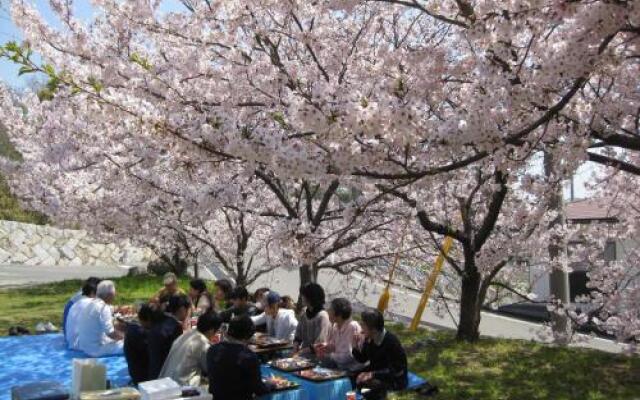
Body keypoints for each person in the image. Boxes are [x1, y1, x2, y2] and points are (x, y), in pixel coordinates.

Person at [207, 316, 273, 400]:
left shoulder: (212, 350)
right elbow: (259, 390)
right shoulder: (249, 357)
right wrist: (270, 384)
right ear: (248, 335)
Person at [352, 310, 408, 400]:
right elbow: (363, 359)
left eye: (363, 326)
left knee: (371, 387)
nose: (361, 329)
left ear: (373, 330)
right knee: (353, 376)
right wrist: (354, 346)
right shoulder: (369, 338)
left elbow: (396, 370)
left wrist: (372, 374)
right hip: (376, 371)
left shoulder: (391, 342)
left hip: (394, 379)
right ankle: (360, 393)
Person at [160, 312, 222, 386]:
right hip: (181, 387)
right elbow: (209, 368)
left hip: (165, 380)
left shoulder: (186, 335)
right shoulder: (202, 343)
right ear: (211, 330)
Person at [77, 280, 125, 357]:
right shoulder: (103, 307)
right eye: (114, 294)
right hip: (95, 350)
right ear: (110, 295)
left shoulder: (92, 303)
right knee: (129, 345)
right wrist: (125, 337)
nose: (115, 297)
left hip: (85, 346)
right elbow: (111, 333)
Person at [147, 294, 190, 379]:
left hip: (152, 369)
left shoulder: (160, 318)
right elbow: (177, 353)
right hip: (164, 373)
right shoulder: (175, 327)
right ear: (182, 309)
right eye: (187, 310)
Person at [315, 298, 362, 371]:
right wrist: (325, 347)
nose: (328, 312)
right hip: (338, 365)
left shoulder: (352, 326)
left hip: (351, 369)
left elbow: (349, 356)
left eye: (330, 310)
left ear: (339, 314)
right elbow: (334, 346)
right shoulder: (335, 326)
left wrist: (328, 356)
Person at [124, 304, 157, 385]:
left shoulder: (133, 328)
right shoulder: (140, 334)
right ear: (149, 320)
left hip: (137, 375)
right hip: (144, 378)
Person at [294, 283, 331, 354]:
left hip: (318, 356)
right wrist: (296, 345)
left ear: (310, 297)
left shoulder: (322, 316)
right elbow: (298, 335)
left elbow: (319, 343)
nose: (301, 297)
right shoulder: (304, 313)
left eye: (303, 295)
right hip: (303, 355)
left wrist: (301, 352)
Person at [63, 277, 100, 344]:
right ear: (93, 291)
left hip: (69, 335)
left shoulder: (81, 295)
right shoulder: (87, 301)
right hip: (77, 340)